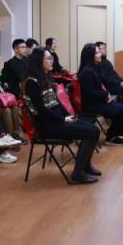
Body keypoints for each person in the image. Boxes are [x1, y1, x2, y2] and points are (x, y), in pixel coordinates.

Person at [23, 48, 101, 184]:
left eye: (51, 58)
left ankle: (86, 166)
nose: (51, 61)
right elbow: (41, 109)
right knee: (90, 133)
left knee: (94, 129)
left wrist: (68, 116)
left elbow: (56, 103)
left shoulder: (46, 77)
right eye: (48, 58)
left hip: (56, 120)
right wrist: (62, 119)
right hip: (46, 126)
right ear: (38, 61)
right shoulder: (31, 82)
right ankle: (78, 173)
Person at [77, 43, 123, 145]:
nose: (100, 54)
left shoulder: (94, 68)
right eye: (97, 53)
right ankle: (111, 137)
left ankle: (113, 135)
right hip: (91, 105)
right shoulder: (87, 72)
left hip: (98, 101)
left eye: (99, 52)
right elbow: (89, 93)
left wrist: (106, 95)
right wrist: (105, 95)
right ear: (90, 55)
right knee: (120, 109)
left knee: (122, 108)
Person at [96, 41, 123, 122]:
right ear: (98, 50)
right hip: (109, 86)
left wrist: (121, 81)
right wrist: (119, 83)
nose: (105, 50)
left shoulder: (106, 61)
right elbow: (105, 78)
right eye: (103, 48)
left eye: (105, 48)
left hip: (115, 83)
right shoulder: (98, 63)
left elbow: (114, 74)